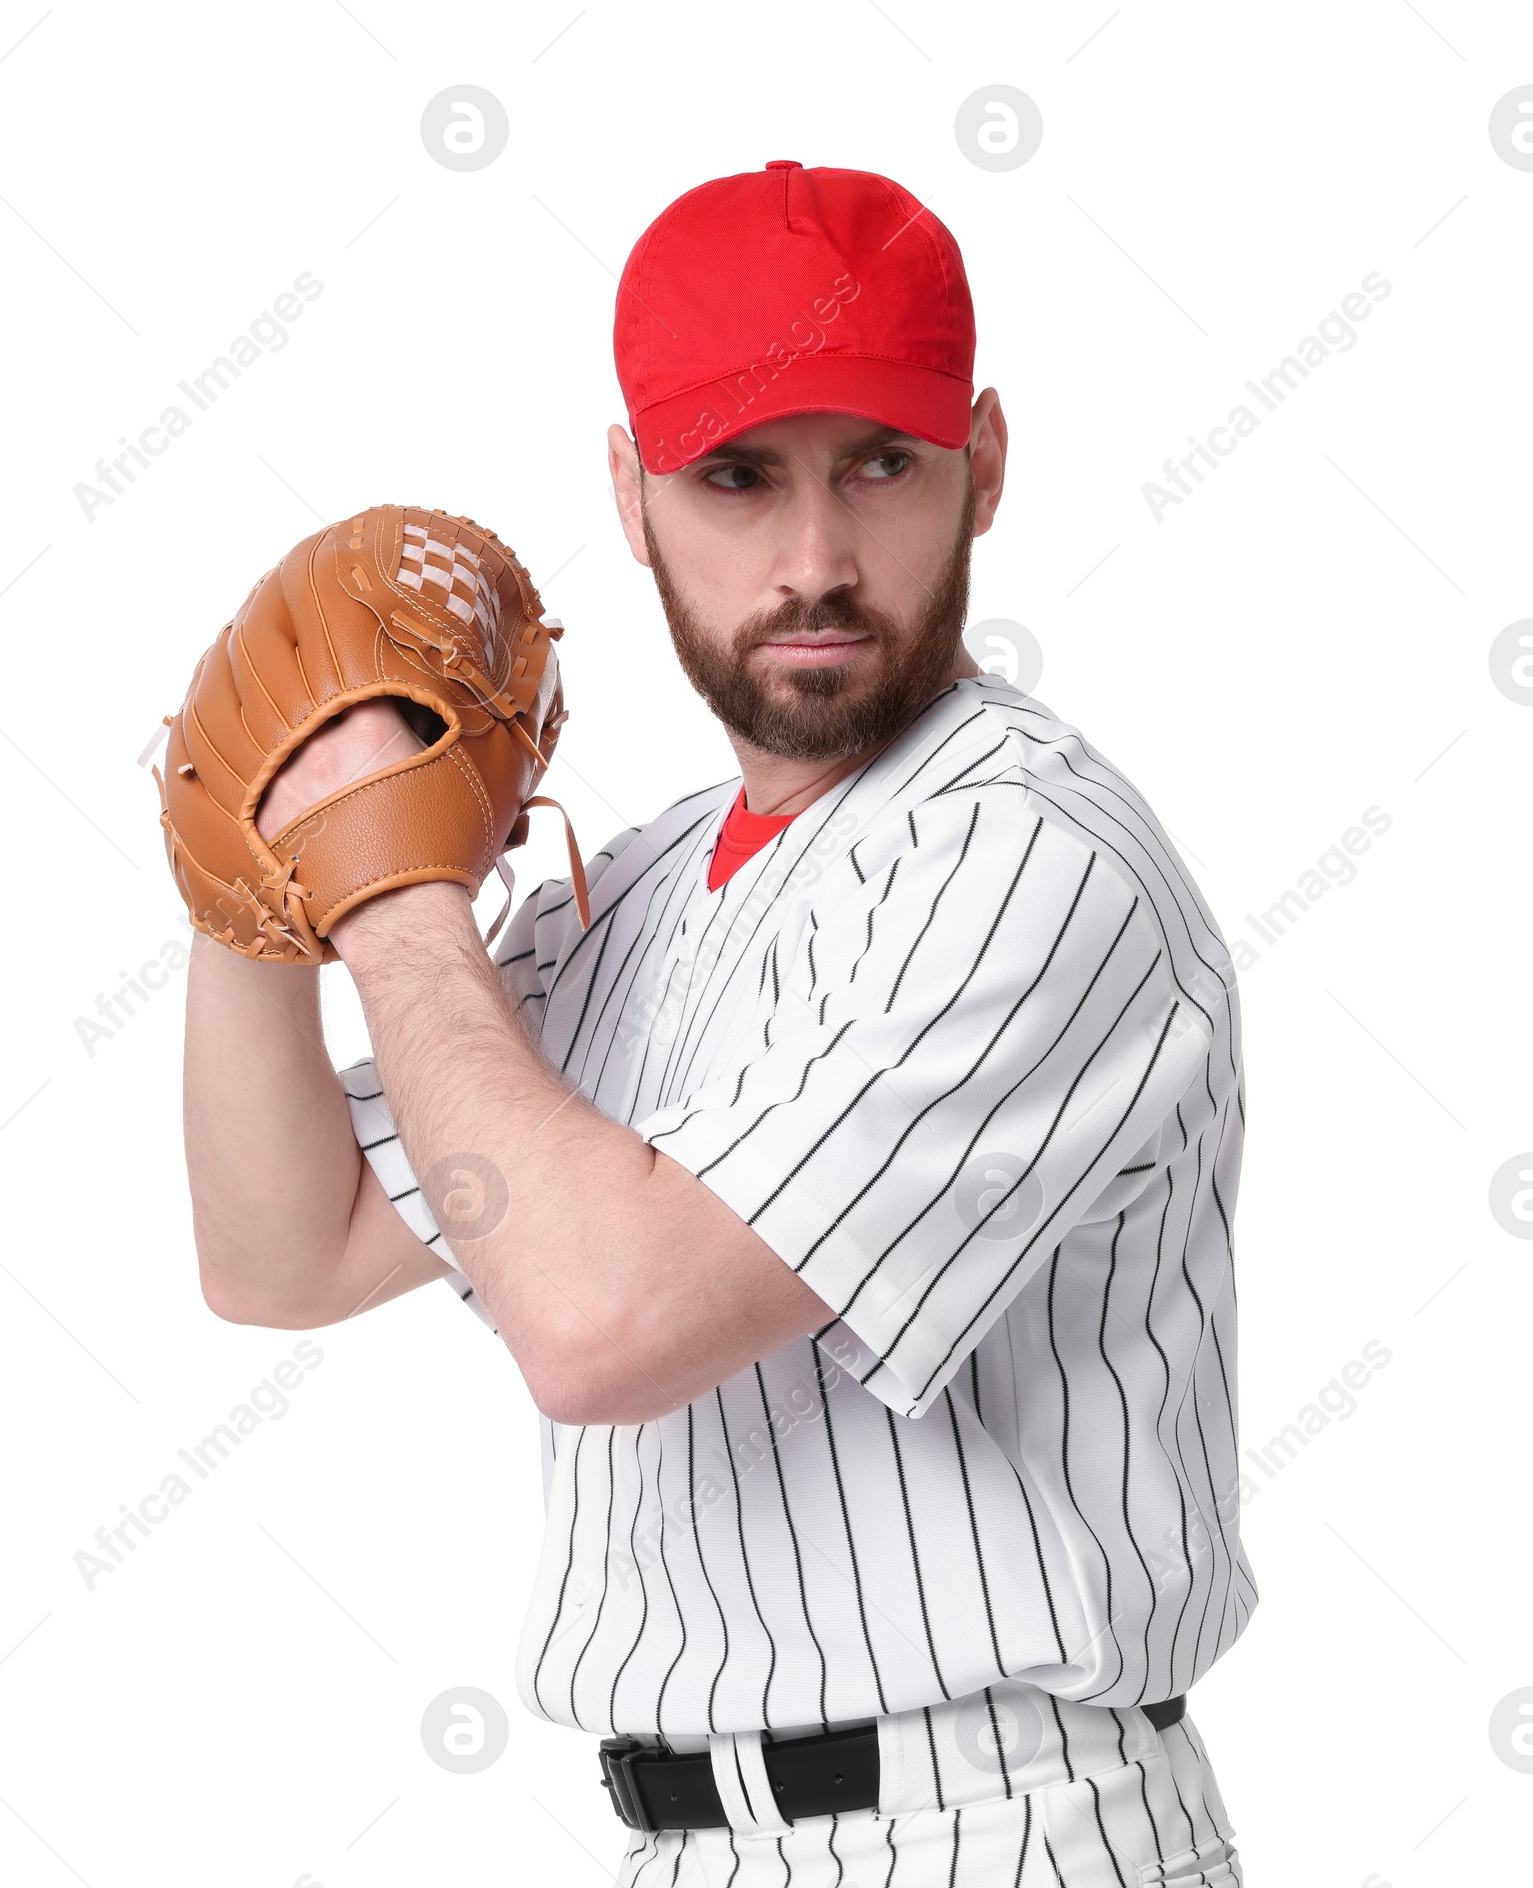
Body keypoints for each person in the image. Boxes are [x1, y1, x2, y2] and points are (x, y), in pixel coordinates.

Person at [184, 161, 1250, 1885]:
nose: (815, 560)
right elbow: (281, 1251)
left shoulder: (1032, 861)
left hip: (998, 1830)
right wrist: (248, 861)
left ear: (982, 464)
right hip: (683, 1844)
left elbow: (603, 1328)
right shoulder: (641, 894)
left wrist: (382, 885)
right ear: (630, 490)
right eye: (738, 479)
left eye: (879, 466)